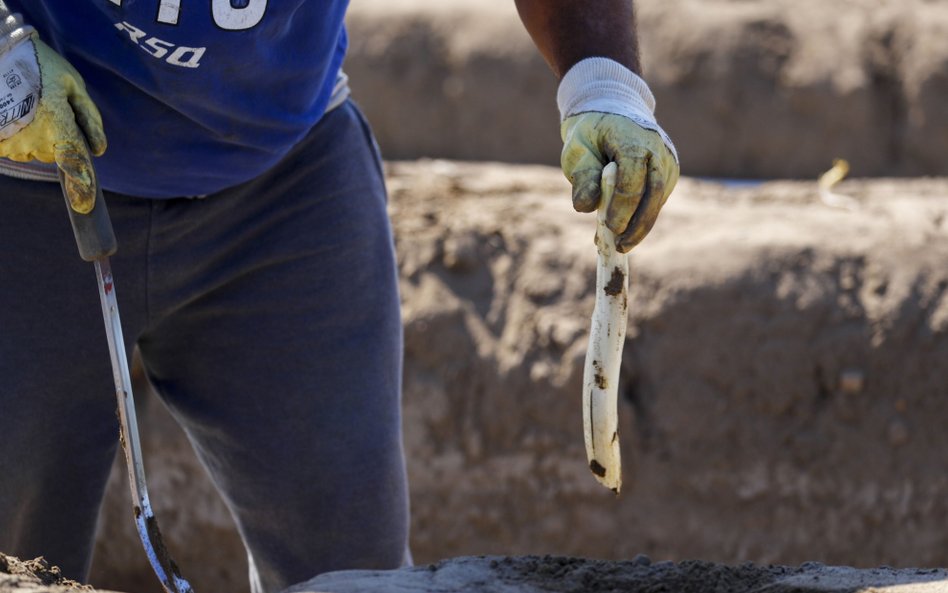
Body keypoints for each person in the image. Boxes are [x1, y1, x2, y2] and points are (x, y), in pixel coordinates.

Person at [0, 1, 679, 592]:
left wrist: (604, 82)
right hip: (25, 182)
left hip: (283, 191)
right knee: (14, 549)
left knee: (354, 563)